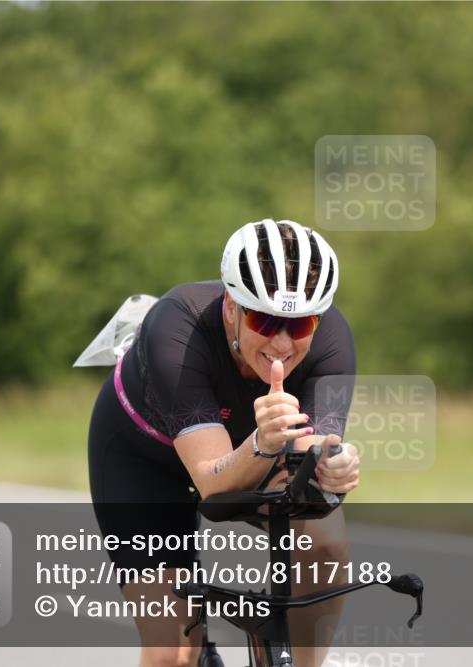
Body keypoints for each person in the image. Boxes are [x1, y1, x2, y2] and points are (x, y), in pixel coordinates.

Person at [87, 219, 360, 667]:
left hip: (252, 446)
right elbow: (214, 483)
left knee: (325, 535)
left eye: (301, 322)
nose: (282, 342)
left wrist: (335, 467)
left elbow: (313, 461)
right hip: (145, 458)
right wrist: (263, 442)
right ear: (231, 307)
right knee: (172, 653)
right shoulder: (178, 324)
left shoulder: (332, 341)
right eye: (265, 320)